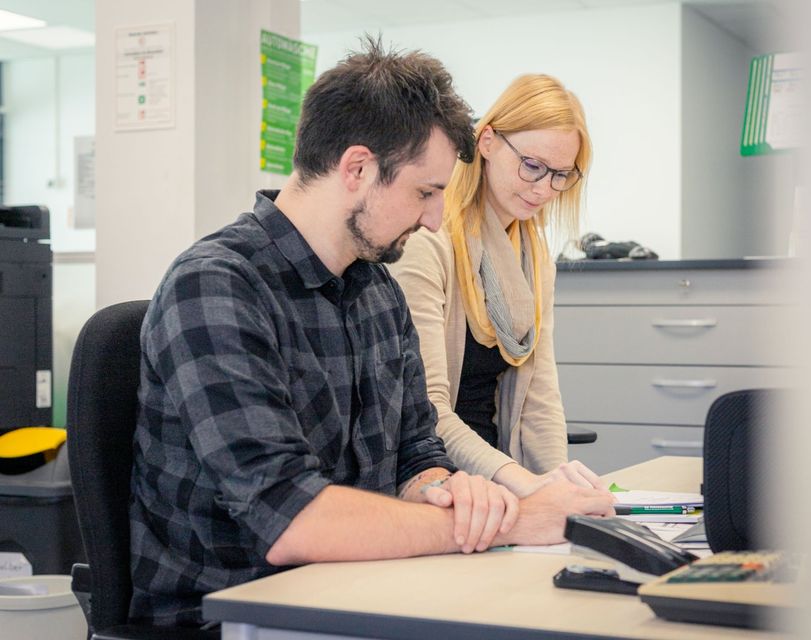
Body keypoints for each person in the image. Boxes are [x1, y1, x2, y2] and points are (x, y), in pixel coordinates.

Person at [128, 40, 614, 628]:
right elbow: (289, 518)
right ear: (357, 168)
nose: (436, 218)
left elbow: (416, 454)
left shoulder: (376, 290)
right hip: (233, 614)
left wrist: (452, 493)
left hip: (363, 590)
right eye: (425, 192)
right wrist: (513, 519)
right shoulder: (216, 287)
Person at [389, 74, 604, 499]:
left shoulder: (533, 254)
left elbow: (540, 396)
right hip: (436, 479)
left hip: (498, 476)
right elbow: (426, 409)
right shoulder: (428, 240)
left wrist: (558, 486)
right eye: (532, 166)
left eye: (561, 175)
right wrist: (524, 483)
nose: (544, 189)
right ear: (487, 141)